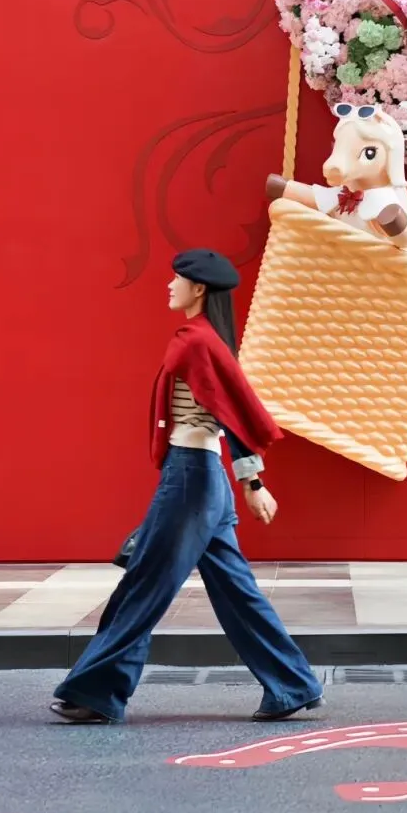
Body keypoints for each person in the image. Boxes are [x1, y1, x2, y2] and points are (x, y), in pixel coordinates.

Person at [49, 248, 324, 725]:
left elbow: (233, 411)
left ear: (198, 289)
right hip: (203, 476)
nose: (169, 285)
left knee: (145, 585)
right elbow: (231, 410)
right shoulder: (208, 340)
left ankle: (97, 691)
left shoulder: (195, 341)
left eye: (176, 279)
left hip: (191, 477)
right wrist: (249, 480)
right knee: (236, 592)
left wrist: (254, 481)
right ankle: (292, 685)